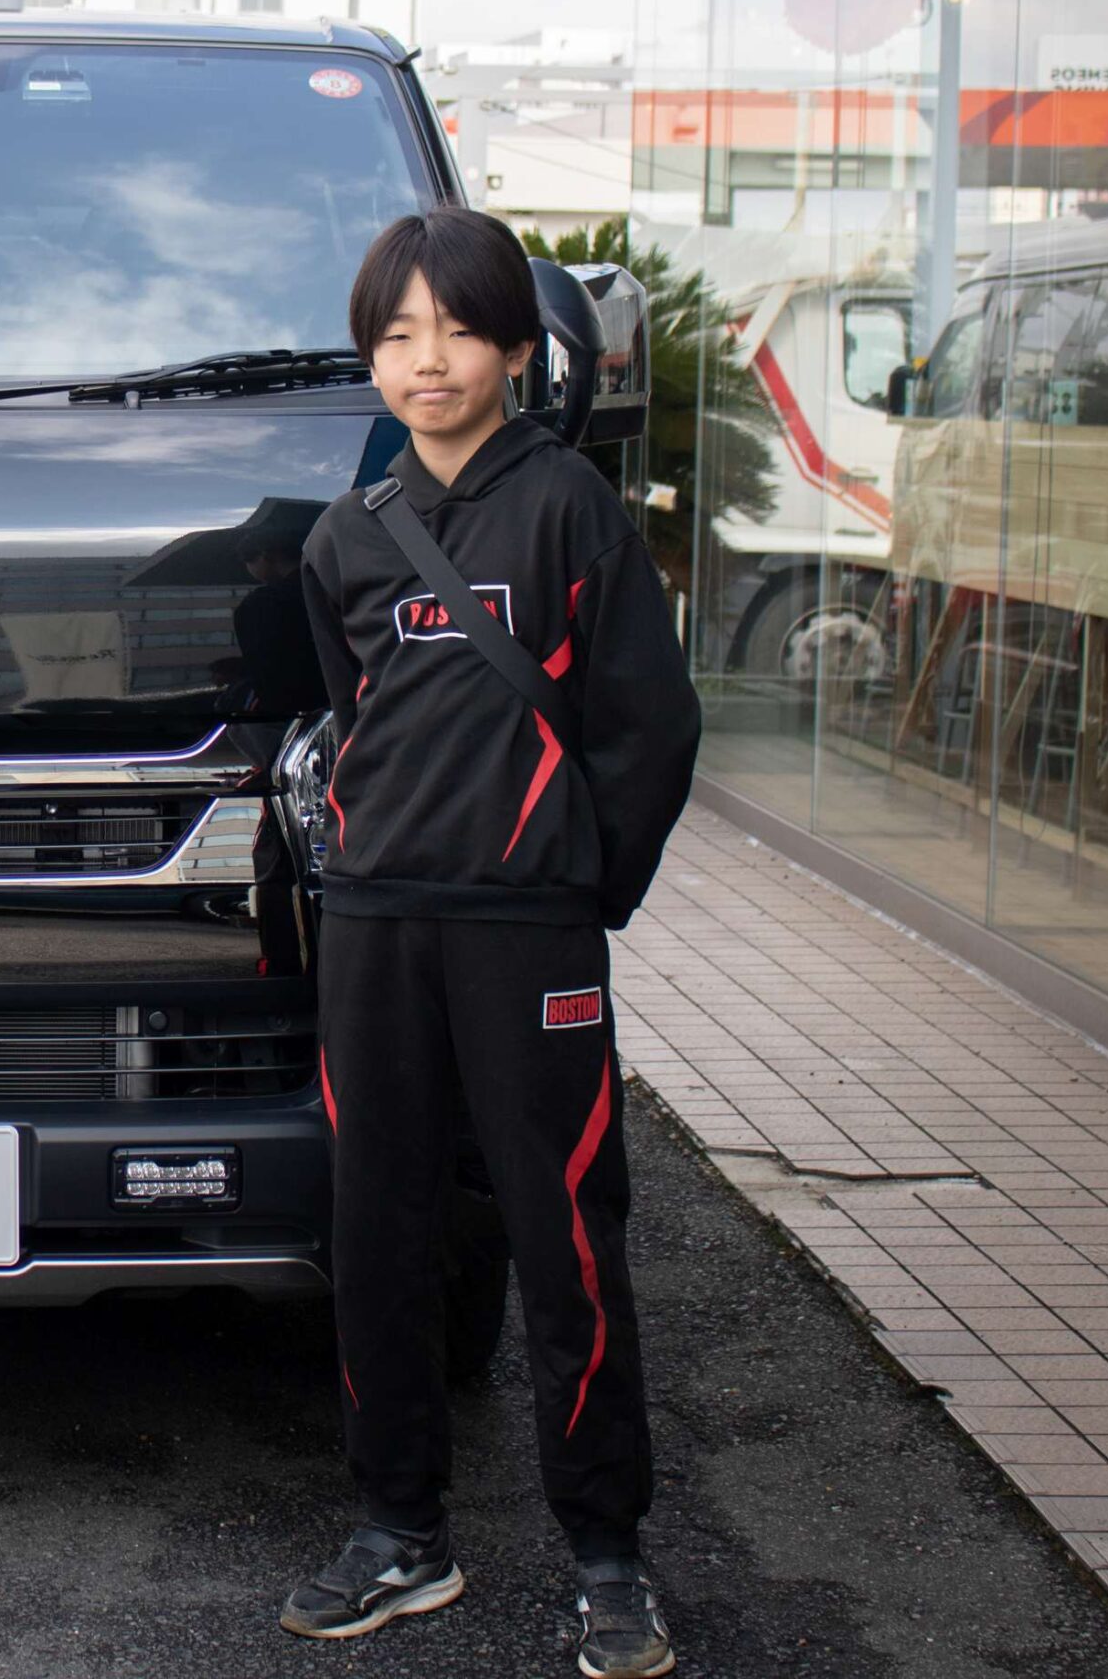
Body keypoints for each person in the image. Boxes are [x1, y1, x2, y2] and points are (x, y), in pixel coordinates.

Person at [281, 208, 699, 1677]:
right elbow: (354, 719)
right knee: (378, 1228)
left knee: (565, 1229)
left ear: (519, 348)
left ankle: (607, 1554)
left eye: (459, 330)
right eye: (398, 335)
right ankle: (401, 1531)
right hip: (377, 925)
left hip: (529, 934)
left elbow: (649, 728)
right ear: (371, 359)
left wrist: (576, 888)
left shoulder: (571, 507)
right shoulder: (348, 535)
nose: (429, 360)